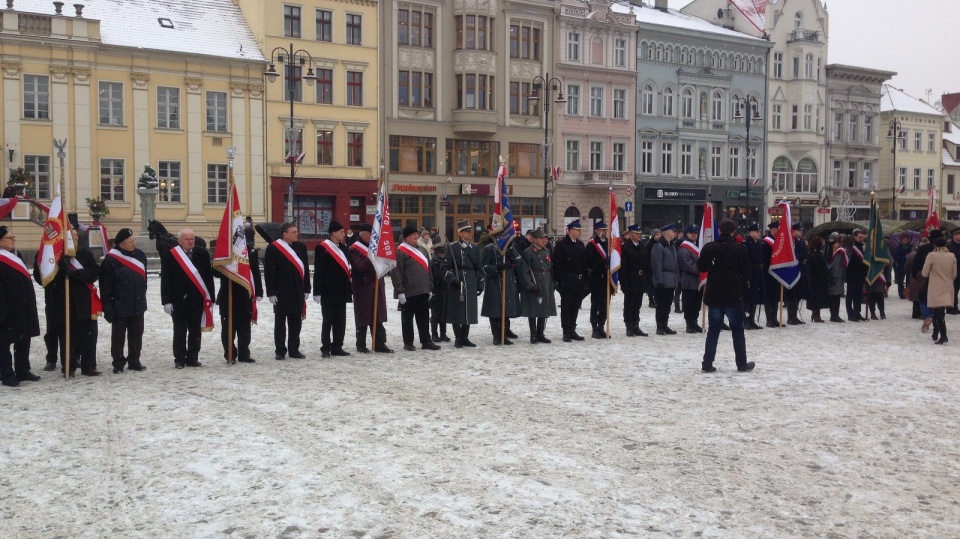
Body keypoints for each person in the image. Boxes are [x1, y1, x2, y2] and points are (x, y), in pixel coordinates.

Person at [697, 219, 754, 373]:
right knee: (737, 330)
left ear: (719, 231)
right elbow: (747, 271)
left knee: (713, 330)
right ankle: (741, 363)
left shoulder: (710, 248)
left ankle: (707, 363)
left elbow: (701, 266)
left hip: (715, 293)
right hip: (733, 294)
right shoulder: (739, 249)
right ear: (734, 232)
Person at [160, 228, 215, 369]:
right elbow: (165, 279)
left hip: (197, 299)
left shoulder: (202, 254)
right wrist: (166, 301)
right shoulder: (171, 255)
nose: (190, 241)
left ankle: (192, 357)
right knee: (180, 330)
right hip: (179, 300)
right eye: (187, 239)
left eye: (192, 239)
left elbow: (208, 278)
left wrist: (211, 298)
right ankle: (179, 358)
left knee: (195, 330)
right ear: (179, 241)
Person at [101, 227, 148, 373]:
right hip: (119, 305)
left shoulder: (140, 255)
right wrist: (107, 307)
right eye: (131, 241)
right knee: (118, 337)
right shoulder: (110, 260)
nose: (134, 243)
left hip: (138, 304)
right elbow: (105, 287)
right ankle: (118, 362)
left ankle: (134, 360)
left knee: (136, 335)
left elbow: (143, 279)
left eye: (134, 240)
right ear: (121, 244)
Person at [0, 226, 41, 386]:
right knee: (4, 342)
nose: (14, 239)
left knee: (23, 337)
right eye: (10, 237)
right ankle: (7, 374)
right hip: (7, 308)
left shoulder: (16, 256)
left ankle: (22, 369)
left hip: (22, 306)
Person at [264, 223, 310, 360]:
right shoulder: (273, 248)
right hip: (281, 291)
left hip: (297, 290)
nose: (297, 234)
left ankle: (294, 349)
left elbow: (305, 269)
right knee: (280, 324)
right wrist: (271, 292)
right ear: (285, 234)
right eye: (294, 232)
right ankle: (280, 350)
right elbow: (269, 272)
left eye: (297, 232)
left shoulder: (300, 247)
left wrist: (307, 288)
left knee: (296, 322)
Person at [392, 226, 440, 351]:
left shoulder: (422, 250)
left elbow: (428, 269)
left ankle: (426, 341)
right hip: (408, 291)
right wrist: (399, 291)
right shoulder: (401, 251)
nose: (416, 236)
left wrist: (430, 287)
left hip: (423, 289)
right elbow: (397, 273)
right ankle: (408, 342)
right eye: (413, 234)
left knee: (423, 318)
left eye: (416, 234)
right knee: (407, 319)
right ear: (406, 236)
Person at [215, 240, 263, 364]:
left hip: (245, 294)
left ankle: (244, 353)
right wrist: (225, 262)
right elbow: (215, 272)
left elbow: (255, 272)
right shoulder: (224, 251)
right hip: (228, 295)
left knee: (245, 327)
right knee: (228, 328)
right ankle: (230, 353)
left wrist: (258, 291)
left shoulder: (249, 251)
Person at [348, 223, 393, 354]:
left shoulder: (375, 248)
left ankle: (379, 343)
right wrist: (371, 256)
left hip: (377, 284)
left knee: (377, 315)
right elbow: (360, 266)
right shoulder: (354, 249)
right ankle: (360, 344)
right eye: (371, 235)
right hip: (362, 286)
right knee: (363, 315)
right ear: (364, 235)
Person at [63, 231, 102, 376]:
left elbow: (94, 272)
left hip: (85, 300)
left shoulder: (84, 253)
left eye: (76, 235)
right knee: (69, 336)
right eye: (71, 235)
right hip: (66, 301)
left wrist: (77, 274)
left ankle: (89, 366)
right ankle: (69, 366)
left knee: (89, 335)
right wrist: (62, 269)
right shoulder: (57, 255)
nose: (75, 238)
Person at [314, 221, 353, 358]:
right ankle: (325, 347)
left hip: (342, 290)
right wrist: (317, 292)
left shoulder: (343, 248)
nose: (344, 234)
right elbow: (319, 271)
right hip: (328, 290)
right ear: (334, 233)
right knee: (328, 321)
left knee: (340, 321)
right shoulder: (322, 248)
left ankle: (337, 346)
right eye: (341, 232)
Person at [442, 220, 484, 348]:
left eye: (470, 231)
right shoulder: (453, 247)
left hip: (470, 281)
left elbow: (479, 267)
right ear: (460, 233)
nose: (470, 233)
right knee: (458, 310)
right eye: (467, 231)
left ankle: (465, 337)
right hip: (458, 282)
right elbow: (444, 267)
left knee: (469, 310)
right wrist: (452, 279)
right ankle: (458, 337)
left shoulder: (475, 248)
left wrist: (480, 283)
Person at [481, 235, 526, 345]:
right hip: (494, 283)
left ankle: (504, 335)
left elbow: (519, 261)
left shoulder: (510, 248)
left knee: (506, 310)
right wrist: (497, 267)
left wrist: (511, 249)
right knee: (495, 310)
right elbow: (484, 267)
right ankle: (496, 336)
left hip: (508, 281)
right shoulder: (489, 249)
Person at [553, 220, 588, 341]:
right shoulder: (562, 244)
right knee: (566, 307)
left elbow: (584, 264)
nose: (580, 232)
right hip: (568, 280)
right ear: (571, 230)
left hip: (579, 280)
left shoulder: (580, 244)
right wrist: (560, 280)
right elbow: (558, 264)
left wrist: (585, 279)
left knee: (575, 306)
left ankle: (572, 329)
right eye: (578, 230)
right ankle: (566, 331)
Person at [520, 229, 555, 344]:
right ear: (534, 239)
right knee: (533, 310)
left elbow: (549, 268)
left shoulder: (546, 251)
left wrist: (551, 283)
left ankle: (541, 333)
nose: (543, 240)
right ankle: (533, 334)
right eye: (541, 238)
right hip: (535, 283)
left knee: (543, 309)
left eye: (544, 238)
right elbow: (524, 271)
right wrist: (530, 284)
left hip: (545, 282)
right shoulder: (528, 252)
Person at [922, 235, 957, 344]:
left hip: (935, 286)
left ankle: (943, 335)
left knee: (937, 312)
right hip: (947, 286)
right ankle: (936, 333)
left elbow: (924, 273)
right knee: (941, 311)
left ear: (935, 245)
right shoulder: (952, 256)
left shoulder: (931, 255)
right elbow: (954, 274)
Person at [620, 224, 649, 337]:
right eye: (636, 233)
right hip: (631, 279)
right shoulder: (625, 248)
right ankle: (629, 326)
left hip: (641, 280)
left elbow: (646, 265)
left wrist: (646, 280)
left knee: (638, 304)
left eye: (639, 233)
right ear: (630, 234)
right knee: (629, 304)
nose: (638, 235)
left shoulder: (642, 247)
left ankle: (636, 325)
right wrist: (624, 283)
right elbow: (624, 268)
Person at [651, 224, 680, 335]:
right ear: (668, 232)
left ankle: (665, 324)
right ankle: (660, 326)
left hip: (671, 279)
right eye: (673, 232)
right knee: (661, 304)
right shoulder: (658, 247)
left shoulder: (671, 246)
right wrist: (659, 281)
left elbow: (675, 265)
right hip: (663, 279)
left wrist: (676, 278)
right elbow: (656, 265)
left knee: (667, 304)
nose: (675, 234)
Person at [585, 221, 612, 338]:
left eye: (606, 230)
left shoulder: (609, 244)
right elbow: (589, 262)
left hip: (607, 279)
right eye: (602, 230)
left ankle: (602, 326)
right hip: (597, 279)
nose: (605, 232)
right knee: (595, 304)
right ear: (596, 230)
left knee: (605, 304)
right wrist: (603, 264)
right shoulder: (592, 244)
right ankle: (594, 328)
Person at [677, 225, 703, 334]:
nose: (693, 234)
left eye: (695, 232)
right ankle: (689, 324)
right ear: (687, 233)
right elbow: (687, 264)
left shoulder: (699, 245)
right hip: (689, 278)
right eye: (691, 232)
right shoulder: (684, 247)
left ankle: (695, 322)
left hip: (698, 280)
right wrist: (701, 270)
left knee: (697, 302)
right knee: (689, 303)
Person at [742, 224, 765, 330]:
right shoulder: (746, 244)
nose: (759, 233)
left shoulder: (759, 243)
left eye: (759, 231)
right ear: (750, 232)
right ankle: (745, 320)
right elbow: (745, 262)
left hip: (758, 272)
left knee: (754, 297)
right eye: (757, 231)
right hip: (750, 272)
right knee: (748, 298)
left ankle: (752, 320)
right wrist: (747, 276)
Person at [786, 223, 810, 325]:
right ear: (793, 231)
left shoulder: (801, 241)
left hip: (802, 268)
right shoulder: (791, 242)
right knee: (792, 294)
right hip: (793, 269)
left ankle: (794, 316)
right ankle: (790, 317)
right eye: (799, 230)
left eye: (801, 230)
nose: (801, 232)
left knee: (799, 294)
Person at [761, 221, 783, 328]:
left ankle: (775, 318)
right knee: (769, 296)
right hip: (768, 272)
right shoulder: (766, 242)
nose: (778, 230)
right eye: (777, 228)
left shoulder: (778, 241)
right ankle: (769, 319)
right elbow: (764, 258)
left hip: (777, 272)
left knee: (776, 296)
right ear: (772, 229)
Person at [845, 229, 868, 322]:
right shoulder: (851, 248)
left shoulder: (861, 248)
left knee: (858, 295)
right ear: (854, 237)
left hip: (860, 276)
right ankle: (850, 314)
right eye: (859, 237)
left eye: (862, 237)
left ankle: (857, 313)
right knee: (851, 295)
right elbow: (849, 262)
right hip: (852, 275)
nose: (861, 239)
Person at [806, 235, 830, 323]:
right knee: (816, 298)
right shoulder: (815, 255)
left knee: (817, 298)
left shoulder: (814, 253)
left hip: (816, 279)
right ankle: (815, 314)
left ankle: (817, 314)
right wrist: (826, 275)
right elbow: (820, 267)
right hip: (817, 279)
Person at [429, 242, 449, 343]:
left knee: (443, 314)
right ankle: (434, 334)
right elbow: (430, 278)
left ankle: (443, 333)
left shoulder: (445, 263)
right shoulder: (432, 264)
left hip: (444, 291)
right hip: (435, 291)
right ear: (438, 253)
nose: (443, 255)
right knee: (435, 314)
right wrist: (432, 292)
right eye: (442, 253)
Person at [827, 233, 847, 322]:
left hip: (837, 276)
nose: (833, 245)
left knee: (835, 297)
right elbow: (835, 265)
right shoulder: (838, 252)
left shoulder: (838, 251)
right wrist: (834, 276)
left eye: (835, 242)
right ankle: (834, 315)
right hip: (836, 276)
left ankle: (835, 315)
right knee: (835, 297)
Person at [891, 234, 913, 300]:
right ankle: (901, 294)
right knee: (900, 281)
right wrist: (904, 257)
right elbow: (896, 257)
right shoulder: (899, 247)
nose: (905, 240)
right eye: (904, 239)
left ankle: (908, 292)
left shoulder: (911, 247)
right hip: (901, 266)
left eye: (906, 239)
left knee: (909, 280)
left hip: (909, 266)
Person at [645, 228, 662, 309]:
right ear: (654, 235)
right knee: (651, 285)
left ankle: (656, 300)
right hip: (650, 268)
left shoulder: (661, 244)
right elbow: (647, 257)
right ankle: (651, 300)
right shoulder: (649, 245)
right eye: (657, 234)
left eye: (660, 234)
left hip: (658, 268)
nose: (659, 236)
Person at [949, 228, 960, 314]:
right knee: (953, 290)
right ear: (954, 235)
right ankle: (951, 307)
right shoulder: (950, 245)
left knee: (956, 290)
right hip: (953, 271)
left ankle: (955, 306)